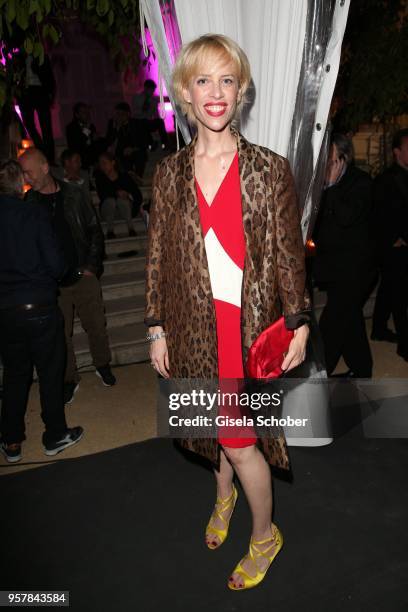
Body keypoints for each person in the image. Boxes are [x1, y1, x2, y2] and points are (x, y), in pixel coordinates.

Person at [145, 34, 310, 590]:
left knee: (241, 443)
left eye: (227, 80)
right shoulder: (168, 175)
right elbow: (158, 256)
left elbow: (290, 255)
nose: (215, 93)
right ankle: (223, 497)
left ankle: (265, 534)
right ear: (185, 94)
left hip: (246, 327)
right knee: (205, 426)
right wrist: (156, 326)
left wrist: (299, 321)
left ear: (240, 92)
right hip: (192, 328)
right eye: (203, 81)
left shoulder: (268, 169)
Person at [0, 160, 83, 463]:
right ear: (19, 183)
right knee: (50, 373)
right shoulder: (33, 213)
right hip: (39, 306)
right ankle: (55, 435)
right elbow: (56, 265)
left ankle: (11, 442)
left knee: (14, 375)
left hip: (6, 311)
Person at [19, 148, 116, 405]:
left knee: (96, 324)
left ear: (44, 168)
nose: (26, 177)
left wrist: (92, 267)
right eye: (23, 173)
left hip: (83, 275)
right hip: (51, 285)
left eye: (29, 171)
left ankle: (102, 364)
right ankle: (69, 378)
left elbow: (94, 231)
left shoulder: (74, 194)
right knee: (61, 335)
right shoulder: (28, 203)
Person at [313, 133, 376, 377]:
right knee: (351, 320)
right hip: (334, 267)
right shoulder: (325, 183)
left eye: (330, 158)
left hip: (357, 269)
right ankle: (362, 368)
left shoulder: (361, 182)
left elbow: (346, 216)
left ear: (344, 158)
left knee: (332, 322)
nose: (326, 164)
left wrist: (331, 186)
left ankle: (316, 378)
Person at [371, 128, 408, 360]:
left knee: (389, 290)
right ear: (397, 152)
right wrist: (393, 238)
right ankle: (405, 345)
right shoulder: (385, 180)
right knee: (400, 296)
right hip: (394, 247)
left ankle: (378, 329)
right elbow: (378, 213)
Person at [17, 53, 56, 164]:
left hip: (40, 90)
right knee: (28, 123)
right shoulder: (19, 56)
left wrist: (50, 93)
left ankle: (50, 158)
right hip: (25, 92)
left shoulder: (40, 55)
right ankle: (42, 150)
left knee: (46, 126)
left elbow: (49, 75)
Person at [95, 152, 142, 239]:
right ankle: (110, 231)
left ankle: (131, 228)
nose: (102, 166)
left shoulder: (124, 177)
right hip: (109, 211)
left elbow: (137, 195)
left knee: (122, 200)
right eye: (100, 163)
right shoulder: (100, 178)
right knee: (110, 201)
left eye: (104, 163)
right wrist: (117, 193)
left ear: (113, 163)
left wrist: (127, 195)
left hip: (125, 210)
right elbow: (102, 194)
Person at [105, 102, 149, 176]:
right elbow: (109, 142)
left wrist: (133, 149)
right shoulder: (112, 124)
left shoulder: (136, 124)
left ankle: (138, 176)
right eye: (117, 114)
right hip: (121, 152)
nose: (118, 117)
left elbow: (144, 141)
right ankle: (129, 176)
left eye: (121, 114)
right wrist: (117, 129)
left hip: (135, 150)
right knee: (121, 159)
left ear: (128, 114)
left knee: (140, 155)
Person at [132, 79, 168, 149]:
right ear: (145, 88)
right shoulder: (137, 98)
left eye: (153, 90)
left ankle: (165, 143)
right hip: (139, 121)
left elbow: (155, 112)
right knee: (142, 123)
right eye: (151, 90)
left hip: (148, 122)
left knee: (159, 121)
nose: (152, 92)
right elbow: (136, 112)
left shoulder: (153, 99)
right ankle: (151, 143)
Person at [66, 103, 103, 169]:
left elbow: (93, 143)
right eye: (83, 112)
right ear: (77, 115)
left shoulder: (91, 126)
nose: (87, 114)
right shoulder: (71, 127)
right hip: (80, 160)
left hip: (93, 159)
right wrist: (89, 134)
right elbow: (77, 145)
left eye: (87, 112)